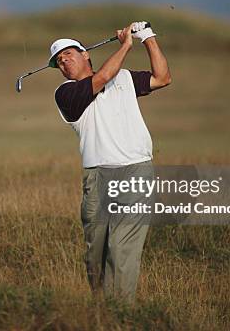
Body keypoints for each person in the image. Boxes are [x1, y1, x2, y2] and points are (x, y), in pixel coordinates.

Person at [50, 22, 171, 303]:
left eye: (68, 53)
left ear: (86, 54)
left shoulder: (125, 78)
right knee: (96, 255)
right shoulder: (66, 94)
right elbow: (103, 77)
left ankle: (121, 314)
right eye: (59, 60)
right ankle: (101, 308)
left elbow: (163, 78)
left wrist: (147, 39)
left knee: (121, 248)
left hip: (136, 170)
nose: (64, 61)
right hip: (97, 177)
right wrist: (126, 45)